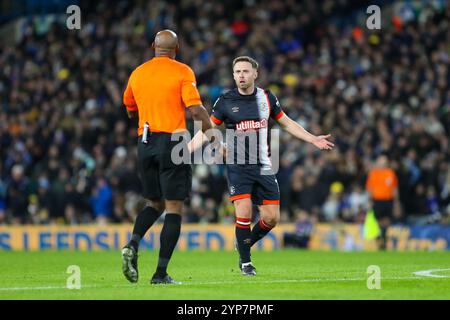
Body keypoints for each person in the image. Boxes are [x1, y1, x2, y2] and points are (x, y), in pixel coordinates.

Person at [209, 56, 334, 275]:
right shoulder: (225, 100)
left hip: (264, 166)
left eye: (246, 71)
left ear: (255, 74)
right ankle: (246, 263)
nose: (241, 75)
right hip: (238, 166)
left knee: (271, 218)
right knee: (244, 210)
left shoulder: (266, 98)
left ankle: (244, 243)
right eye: (237, 72)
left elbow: (286, 123)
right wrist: (194, 149)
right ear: (233, 75)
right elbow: (207, 129)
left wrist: (312, 138)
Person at [121, 30, 213, 284]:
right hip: (173, 140)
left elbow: (129, 107)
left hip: (145, 141)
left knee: (154, 204)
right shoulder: (182, 71)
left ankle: (132, 244)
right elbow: (195, 110)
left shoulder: (137, 73)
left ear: (153, 46)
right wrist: (213, 135)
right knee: (173, 207)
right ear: (177, 48)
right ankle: (160, 274)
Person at [365, 155, 400, 249]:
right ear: (378, 162)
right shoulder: (373, 173)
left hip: (388, 200)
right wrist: (369, 200)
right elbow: (370, 188)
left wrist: (397, 202)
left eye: (385, 161)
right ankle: (381, 236)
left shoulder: (390, 173)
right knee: (378, 219)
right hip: (377, 200)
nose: (383, 163)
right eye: (381, 161)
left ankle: (382, 237)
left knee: (388, 219)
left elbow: (394, 188)